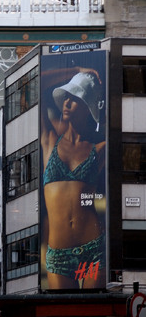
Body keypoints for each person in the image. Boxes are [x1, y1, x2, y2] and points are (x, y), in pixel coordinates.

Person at [41, 65, 106, 289]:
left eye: (74, 98)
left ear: (88, 107)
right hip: (58, 253)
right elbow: (37, 82)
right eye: (65, 97)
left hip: (93, 247)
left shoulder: (100, 147)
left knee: (95, 316)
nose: (67, 103)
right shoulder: (49, 139)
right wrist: (76, 70)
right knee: (60, 316)